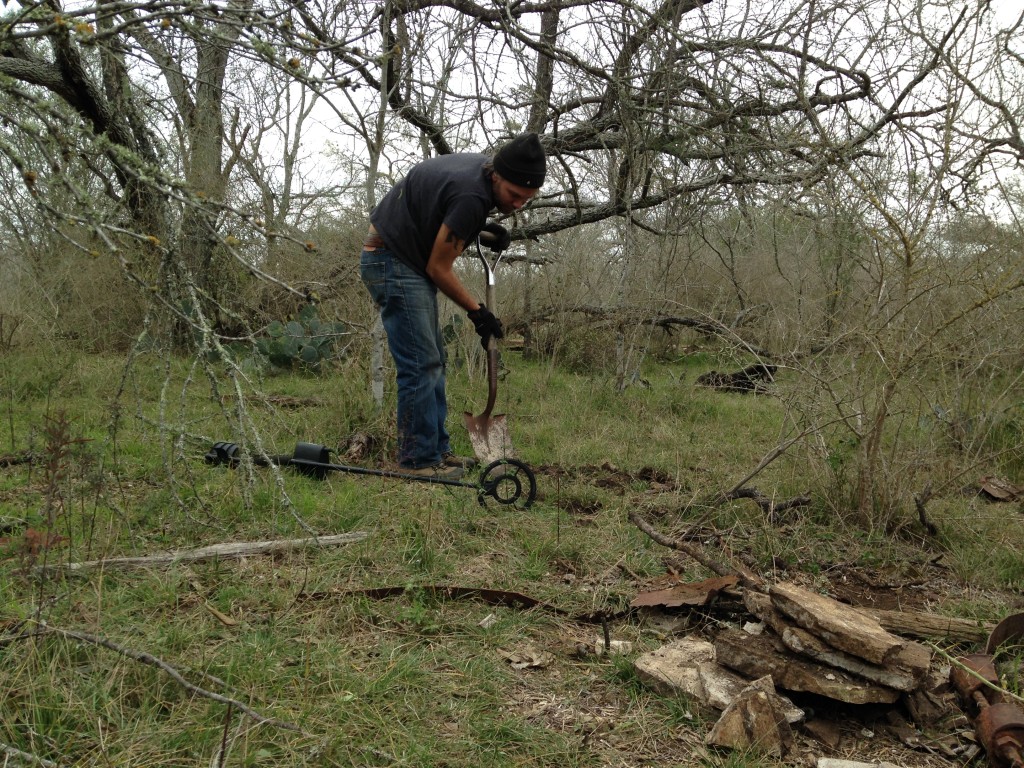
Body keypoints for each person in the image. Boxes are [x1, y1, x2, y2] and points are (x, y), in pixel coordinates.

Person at [360, 133, 547, 479]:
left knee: (434, 361)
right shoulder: (472, 195)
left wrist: (482, 226)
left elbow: (441, 208)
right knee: (421, 363)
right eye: (514, 195)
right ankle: (417, 461)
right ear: (497, 176)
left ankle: (436, 451)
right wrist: (478, 312)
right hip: (392, 260)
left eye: (527, 198)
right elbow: (438, 268)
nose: (519, 203)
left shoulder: (480, 176)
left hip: (401, 257)